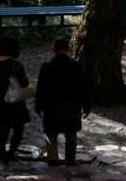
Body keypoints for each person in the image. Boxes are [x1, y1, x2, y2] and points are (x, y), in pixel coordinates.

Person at [35, 38, 91, 166]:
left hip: (51, 106)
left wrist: (38, 106)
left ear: (53, 49)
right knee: (71, 134)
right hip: (72, 105)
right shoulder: (76, 66)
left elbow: (40, 89)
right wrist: (86, 105)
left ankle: (52, 159)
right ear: (68, 49)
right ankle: (70, 160)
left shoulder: (46, 66)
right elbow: (83, 88)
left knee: (50, 133)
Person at [0, 36, 30, 162]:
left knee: (4, 126)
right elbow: (24, 83)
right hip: (14, 99)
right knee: (18, 127)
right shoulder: (16, 64)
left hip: (0, 97)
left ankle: (2, 150)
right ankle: (11, 153)